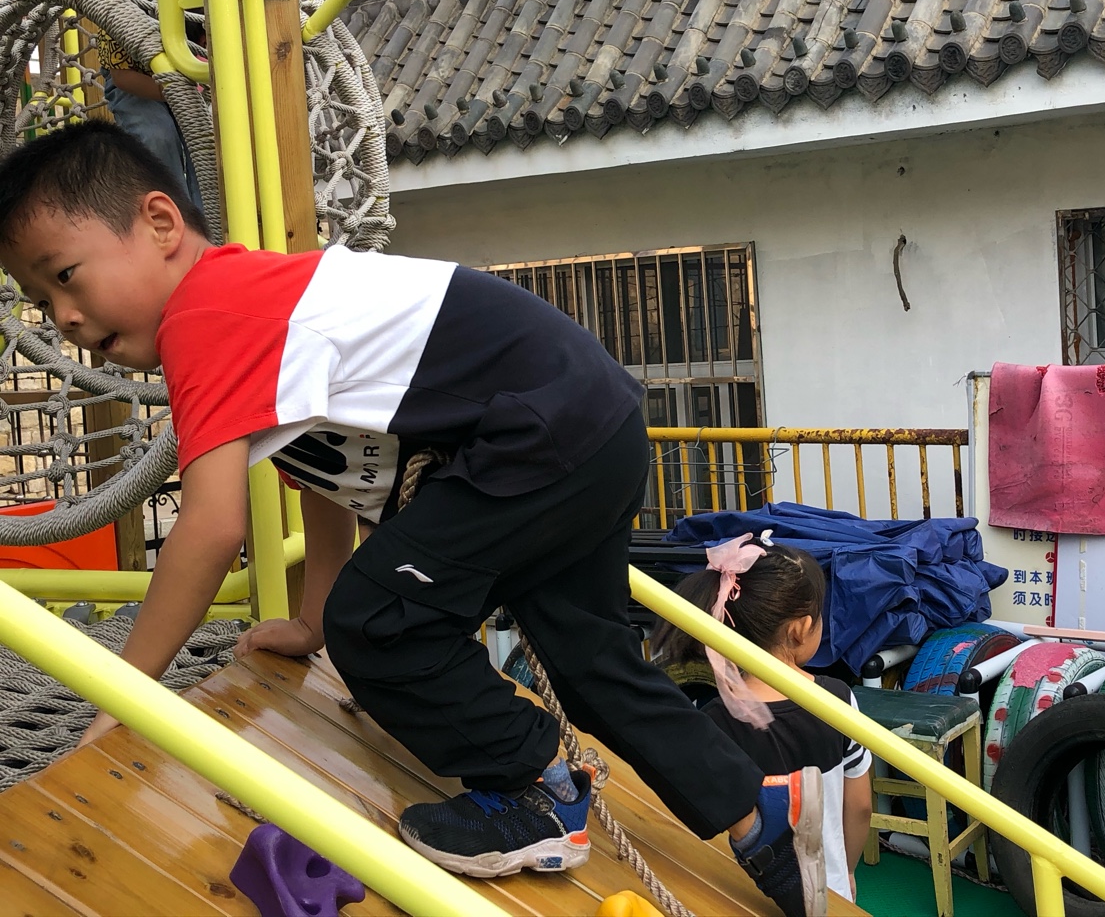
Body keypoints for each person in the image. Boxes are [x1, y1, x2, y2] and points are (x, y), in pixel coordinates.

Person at [0, 121, 827, 917]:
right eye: (40, 300)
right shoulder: (260, 308)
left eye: (65, 275)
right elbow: (322, 481)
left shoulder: (206, 315)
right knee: (592, 664)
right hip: (589, 422)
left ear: (159, 224)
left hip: (536, 431)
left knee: (381, 620)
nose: (62, 316)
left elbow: (211, 529)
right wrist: (312, 622)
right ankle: (763, 820)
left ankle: (535, 788)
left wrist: (122, 697)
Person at [651, 533, 873, 903]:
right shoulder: (837, 700)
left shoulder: (714, 719)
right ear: (800, 628)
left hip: (745, 895)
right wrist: (846, 870)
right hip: (827, 893)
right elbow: (860, 806)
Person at [95, 17, 208, 229]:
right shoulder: (120, 12)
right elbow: (123, 77)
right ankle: (174, 223)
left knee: (204, 139)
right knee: (156, 135)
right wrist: (177, 92)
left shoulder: (201, 15)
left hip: (189, 75)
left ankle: (210, 224)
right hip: (134, 78)